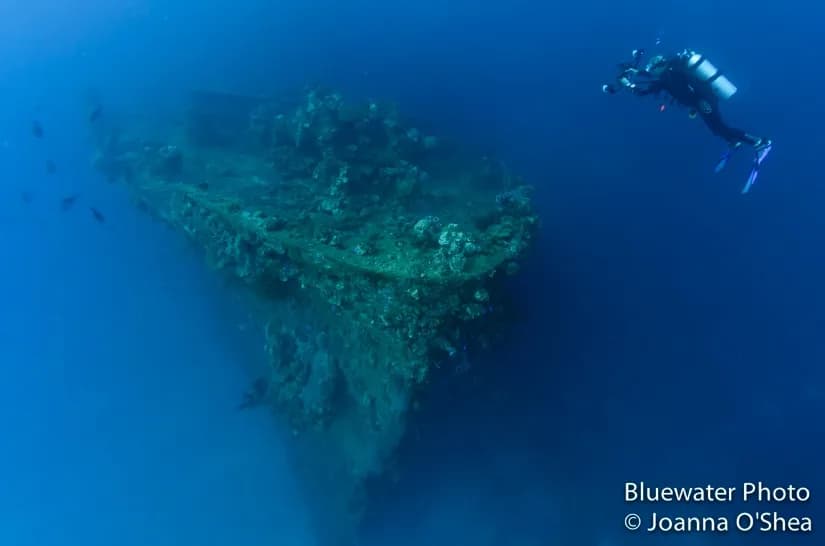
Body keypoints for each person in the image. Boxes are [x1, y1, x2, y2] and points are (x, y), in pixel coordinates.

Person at [604, 48, 772, 193]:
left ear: (659, 66)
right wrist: (635, 75)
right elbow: (652, 81)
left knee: (721, 127)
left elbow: (646, 88)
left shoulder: (669, 74)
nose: (652, 71)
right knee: (716, 129)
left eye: (653, 68)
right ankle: (734, 142)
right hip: (701, 102)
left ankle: (760, 143)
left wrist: (629, 85)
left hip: (704, 101)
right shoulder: (668, 73)